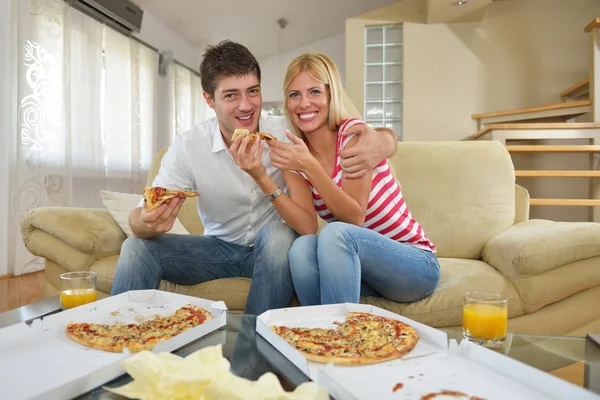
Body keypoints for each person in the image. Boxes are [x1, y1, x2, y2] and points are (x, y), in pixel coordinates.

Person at [110, 41, 399, 315]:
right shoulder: (189, 146)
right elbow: (140, 217)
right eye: (231, 95)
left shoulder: (286, 133)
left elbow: (338, 132)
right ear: (209, 99)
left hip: (273, 252)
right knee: (136, 247)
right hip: (216, 251)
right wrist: (146, 222)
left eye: (253, 91)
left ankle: (254, 352)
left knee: (276, 235)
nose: (246, 106)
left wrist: (386, 141)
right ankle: (115, 345)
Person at [265, 53, 440, 306]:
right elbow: (306, 228)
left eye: (314, 92)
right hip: (365, 270)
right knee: (302, 249)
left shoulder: (353, 135)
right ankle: (319, 335)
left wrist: (310, 166)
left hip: (415, 265)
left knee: (336, 233)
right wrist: (264, 175)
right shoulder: (297, 158)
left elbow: (354, 218)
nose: (303, 103)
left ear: (331, 96)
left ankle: (338, 337)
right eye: (294, 95)